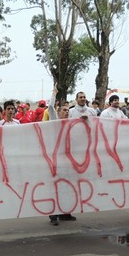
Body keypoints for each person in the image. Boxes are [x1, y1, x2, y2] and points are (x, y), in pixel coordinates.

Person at [44, 85, 77, 226]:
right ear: (58, 112)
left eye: (68, 110)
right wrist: (54, 93)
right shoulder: (54, 121)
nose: (66, 113)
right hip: (54, 161)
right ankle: (53, 216)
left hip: (66, 161)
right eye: (64, 110)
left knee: (66, 187)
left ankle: (65, 213)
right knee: (54, 188)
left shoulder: (70, 125)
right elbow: (50, 107)